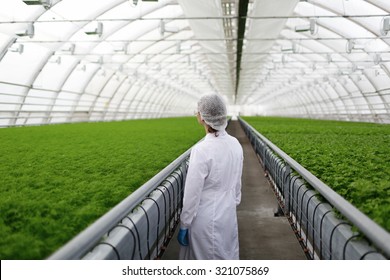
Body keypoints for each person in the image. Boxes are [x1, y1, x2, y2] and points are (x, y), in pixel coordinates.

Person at [177, 94, 244, 260]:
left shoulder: (202, 150)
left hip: (205, 220)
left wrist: (185, 223)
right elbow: (237, 185)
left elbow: (192, 193)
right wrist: (230, 202)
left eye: (197, 112)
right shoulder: (235, 144)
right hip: (228, 215)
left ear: (202, 118)